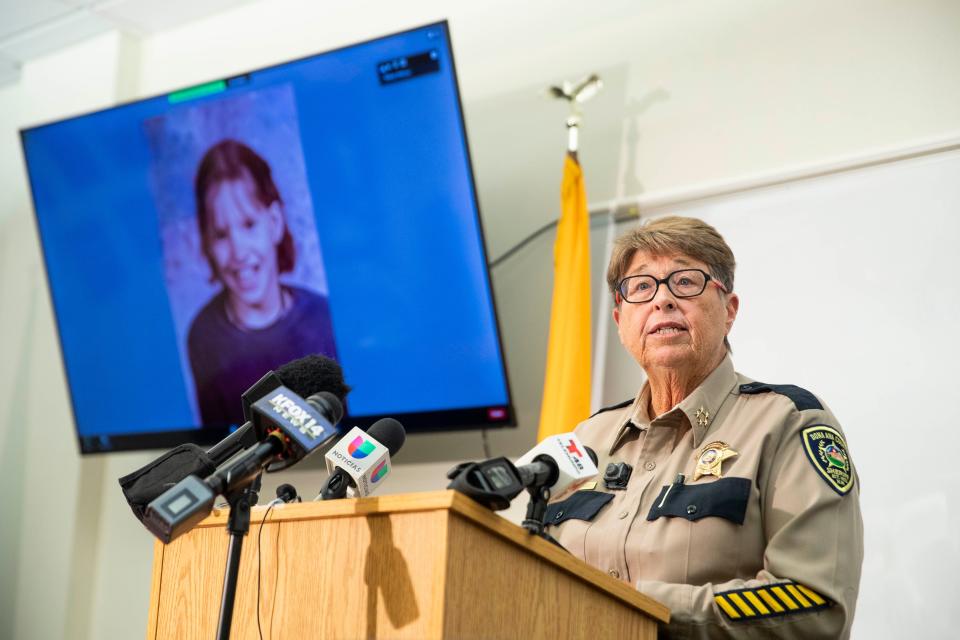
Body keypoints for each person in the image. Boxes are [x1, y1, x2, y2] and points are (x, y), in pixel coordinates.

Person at [543, 216, 862, 638]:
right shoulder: (587, 439)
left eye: (685, 282)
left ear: (729, 310)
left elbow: (816, 602)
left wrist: (639, 609)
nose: (662, 301)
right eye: (641, 286)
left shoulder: (788, 422)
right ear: (620, 321)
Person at [187, 139, 338, 426]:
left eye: (248, 225)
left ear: (275, 222)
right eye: (220, 234)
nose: (238, 251)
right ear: (206, 242)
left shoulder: (323, 319)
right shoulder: (203, 336)